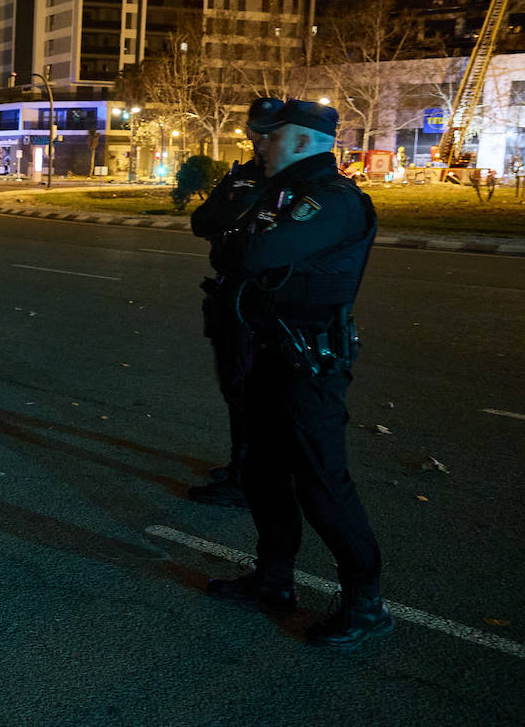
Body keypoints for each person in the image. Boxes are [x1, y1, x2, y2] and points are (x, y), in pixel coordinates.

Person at [204, 99, 391, 650]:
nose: (261, 144)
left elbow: (256, 252)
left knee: (321, 484)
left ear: (306, 141)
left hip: (312, 361)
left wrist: (242, 240)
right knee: (263, 473)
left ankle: (366, 602)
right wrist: (241, 240)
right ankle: (274, 578)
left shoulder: (331, 200)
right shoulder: (279, 193)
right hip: (271, 353)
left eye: (273, 136)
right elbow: (220, 238)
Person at [185, 98, 282, 509]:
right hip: (227, 293)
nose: (258, 140)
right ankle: (240, 464)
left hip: (257, 299)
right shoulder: (241, 175)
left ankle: (248, 477)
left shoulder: (287, 182)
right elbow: (201, 223)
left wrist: (237, 208)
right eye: (254, 131)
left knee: (248, 391)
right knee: (232, 387)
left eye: (267, 132)